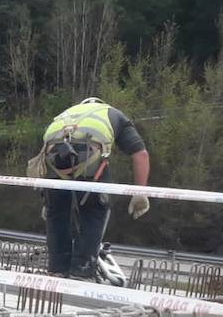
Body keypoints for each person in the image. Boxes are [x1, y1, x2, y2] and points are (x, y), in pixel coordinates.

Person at [33, 97, 150, 280]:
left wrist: (49, 200)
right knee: (94, 211)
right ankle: (81, 271)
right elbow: (140, 154)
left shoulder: (66, 115)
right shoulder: (114, 114)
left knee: (56, 215)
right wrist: (140, 192)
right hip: (88, 155)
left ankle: (57, 270)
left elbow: (45, 154)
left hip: (54, 156)